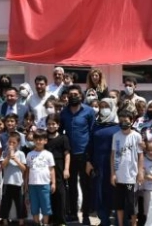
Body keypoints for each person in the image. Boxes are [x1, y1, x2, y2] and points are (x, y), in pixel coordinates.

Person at [59, 84, 96, 224]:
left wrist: (90, 157)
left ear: (81, 96)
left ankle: (86, 214)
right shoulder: (64, 113)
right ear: (67, 96)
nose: (73, 97)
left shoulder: (89, 111)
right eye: (71, 94)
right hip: (69, 155)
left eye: (76, 94)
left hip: (85, 154)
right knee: (71, 186)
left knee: (86, 186)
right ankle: (73, 214)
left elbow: (93, 133)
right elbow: (60, 132)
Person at [86, 98, 120, 226]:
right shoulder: (96, 125)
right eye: (102, 106)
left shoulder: (118, 127)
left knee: (114, 193)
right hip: (98, 165)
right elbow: (90, 144)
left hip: (113, 166)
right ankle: (103, 220)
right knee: (99, 193)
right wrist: (88, 161)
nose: (104, 109)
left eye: (107, 106)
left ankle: (117, 221)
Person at [110, 110, 144, 226]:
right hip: (119, 176)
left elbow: (140, 155)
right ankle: (120, 224)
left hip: (131, 177)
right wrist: (113, 173)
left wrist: (140, 172)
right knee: (119, 204)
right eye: (121, 120)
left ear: (131, 121)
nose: (123, 123)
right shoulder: (116, 136)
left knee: (132, 204)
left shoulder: (136, 136)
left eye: (126, 121)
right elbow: (113, 155)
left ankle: (133, 224)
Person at [25, 131, 56, 226]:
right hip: (32, 185)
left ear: (45, 141)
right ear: (33, 140)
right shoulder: (30, 154)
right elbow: (28, 170)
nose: (38, 141)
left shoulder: (48, 154)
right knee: (34, 207)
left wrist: (53, 183)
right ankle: (36, 223)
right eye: (36, 139)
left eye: (41, 139)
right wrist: (26, 183)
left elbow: (51, 170)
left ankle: (45, 223)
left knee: (45, 206)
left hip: (45, 184)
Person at [45, 113, 71, 226]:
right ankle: (51, 219)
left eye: (53, 124)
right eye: (49, 124)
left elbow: (67, 154)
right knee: (49, 193)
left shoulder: (63, 138)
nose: (51, 126)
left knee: (60, 194)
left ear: (58, 125)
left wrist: (66, 169)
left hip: (59, 167)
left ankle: (61, 220)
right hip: (46, 169)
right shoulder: (44, 138)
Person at [0, 133, 27, 226]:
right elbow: (2, 166)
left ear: (18, 143)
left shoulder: (21, 154)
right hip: (7, 182)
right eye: (10, 142)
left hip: (18, 183)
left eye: (14, 142)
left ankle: (21, 221)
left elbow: (24, 168)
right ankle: (5, 220)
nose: (11, 144)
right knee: (6, 203)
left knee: (20, 203)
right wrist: (8, 156)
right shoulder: (4, 153)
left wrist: (15, 159)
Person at [139, 140, 152, 226]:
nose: (151, 152)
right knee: (147, 211)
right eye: (148, 150)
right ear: (145, 150)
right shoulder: (143, 160)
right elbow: (142, 174)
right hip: (146, 189)